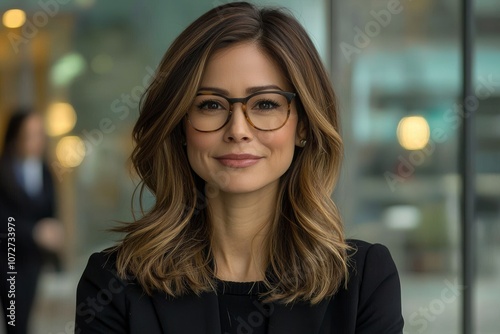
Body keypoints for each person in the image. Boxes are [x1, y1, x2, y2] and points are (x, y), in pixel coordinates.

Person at [76, 2, 404, 333]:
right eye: (210, 105)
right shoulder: (112, 284)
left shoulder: (364, 281)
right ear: (180, 126)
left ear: (303, 126)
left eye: (265, 104)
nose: (238, 130)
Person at [0, 110, 64, 334]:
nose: (36, 141)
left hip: (33, 260)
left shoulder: (45, 171)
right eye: (30, 134)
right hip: (7, 258)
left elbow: (51, 211)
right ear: (15, 137)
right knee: (15, 320)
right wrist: (34, 232)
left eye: (39, 134)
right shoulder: (4, 171)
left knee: (25, 316)